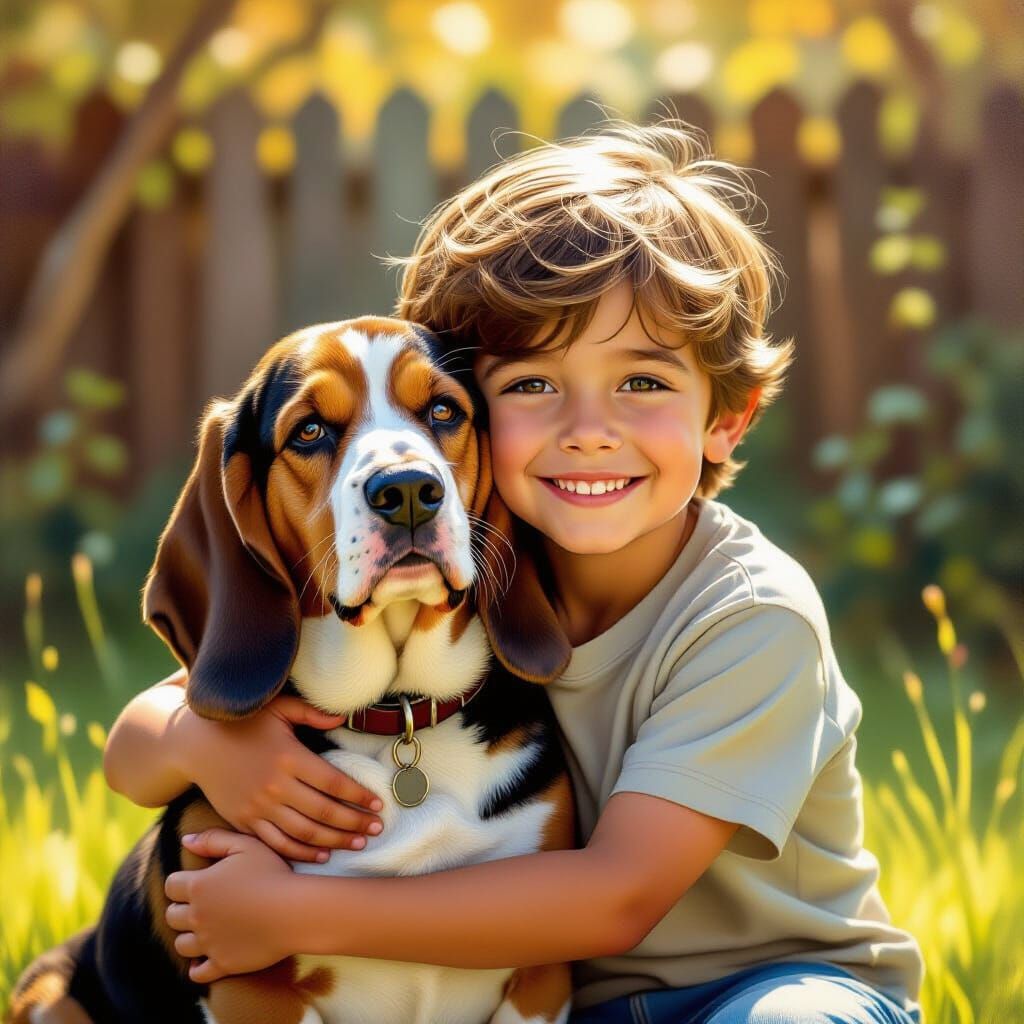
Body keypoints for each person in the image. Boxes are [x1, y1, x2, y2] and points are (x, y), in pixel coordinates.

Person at [104, 121, 924, 1023]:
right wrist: (202, 739)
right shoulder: (497, 550)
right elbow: (152, 727)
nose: (587, 430)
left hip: (776, 985)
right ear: (488, 428)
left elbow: (615, 896)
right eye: (532, 384)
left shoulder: (751, 615)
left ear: (726, 420)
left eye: (643, 383)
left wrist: (293, 914)